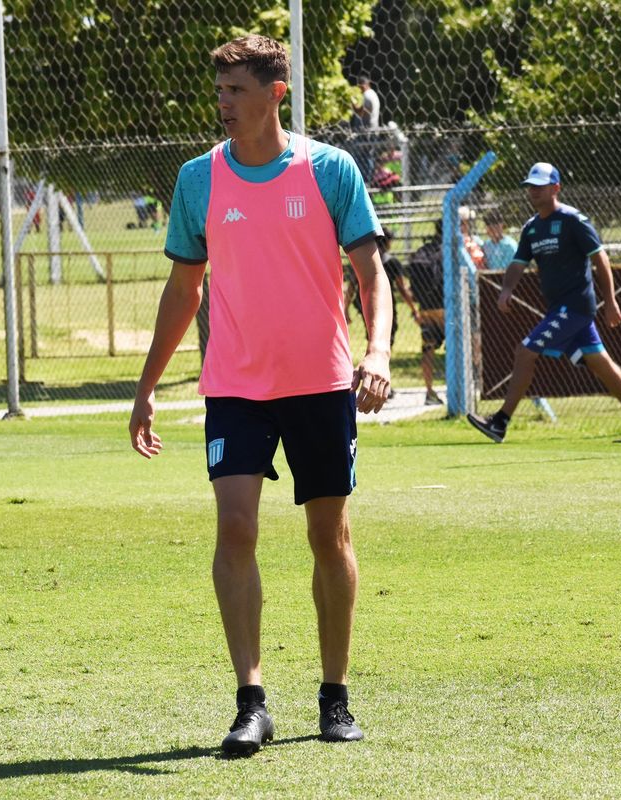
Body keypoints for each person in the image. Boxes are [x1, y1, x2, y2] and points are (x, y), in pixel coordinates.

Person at [128, 34, 391, 756]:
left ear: (275, 93)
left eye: (235, 91)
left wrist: (377, 350)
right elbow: (184, 289)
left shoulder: (330, 170)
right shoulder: (197, 180)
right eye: (218, 92)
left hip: (321, 383)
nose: (223, 104)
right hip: (236, 387)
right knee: (236, 530)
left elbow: (372, 272)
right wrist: (146, 388)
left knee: (326, 535)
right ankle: (252, 701)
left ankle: (334, 697)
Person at [466, 162, 621, 443]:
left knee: (524, 352)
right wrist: (506, 288)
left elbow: (599, 258)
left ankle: (500, 422)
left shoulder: (573, 220)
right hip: (558, 308)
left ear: (555, 188)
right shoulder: (532, 228)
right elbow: (519, 262)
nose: (533, 191)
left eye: (539, 186)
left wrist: (611, 300)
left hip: (575, 307)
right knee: (601, 364)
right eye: (530, 187)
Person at [406, 232, 447, 405]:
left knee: (428, 350)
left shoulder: (423, 252)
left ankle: (429, 391)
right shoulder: (446, 250)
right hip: (444, 308)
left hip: (425, 308)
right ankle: (456, 391)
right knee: (453, 348)